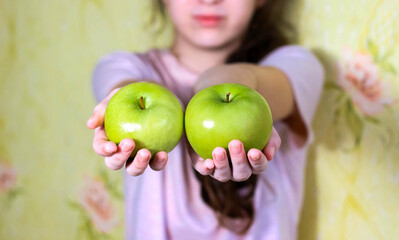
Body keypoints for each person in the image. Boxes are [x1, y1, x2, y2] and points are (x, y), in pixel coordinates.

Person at [86, 0, 324, 239]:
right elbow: (123, 83)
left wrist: (211, 91)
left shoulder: (297, 66)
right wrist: (119, 99)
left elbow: (242, 79)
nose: (209, 0)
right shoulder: (123, 66)